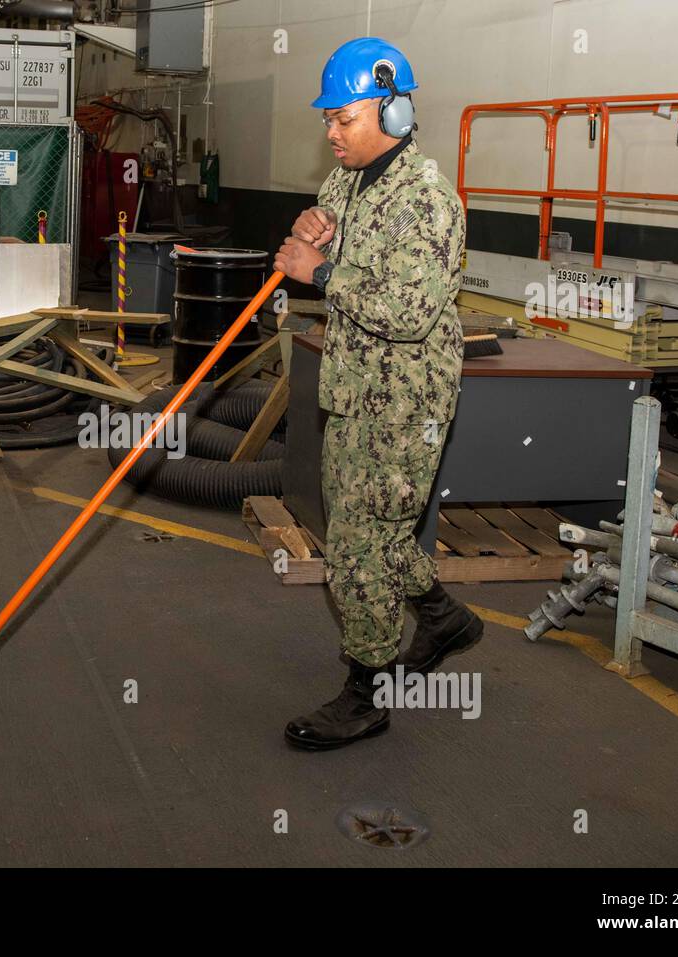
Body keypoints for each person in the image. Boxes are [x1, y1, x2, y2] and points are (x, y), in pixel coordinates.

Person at [272, 37, 483, 751]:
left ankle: (368, 692)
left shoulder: (427, 200)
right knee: (368, 529)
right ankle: (444, 617)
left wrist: (320, 275)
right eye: (327, 119)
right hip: (356, 387)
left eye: (345, 119)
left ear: (393, 112)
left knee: (363, 542)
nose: (331, 133)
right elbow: (325, 232)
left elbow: (410, 310)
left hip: (406, 401)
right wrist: (311, 231)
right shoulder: (348, 180)